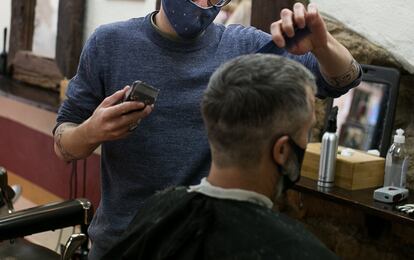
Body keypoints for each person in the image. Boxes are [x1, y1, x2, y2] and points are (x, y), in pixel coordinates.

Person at [53, 1, 361, 258]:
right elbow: (64, 144)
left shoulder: (244, 47)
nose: (203, 5)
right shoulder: (109, 44)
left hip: (208, 241)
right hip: (122, 244)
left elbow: (343, 79)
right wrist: (92, 131)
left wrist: (322, 43)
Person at [102, 54, 338, 259]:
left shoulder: (158, 211)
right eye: (307, 132)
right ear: (282, 151)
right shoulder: (301, 251)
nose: (307, 141)